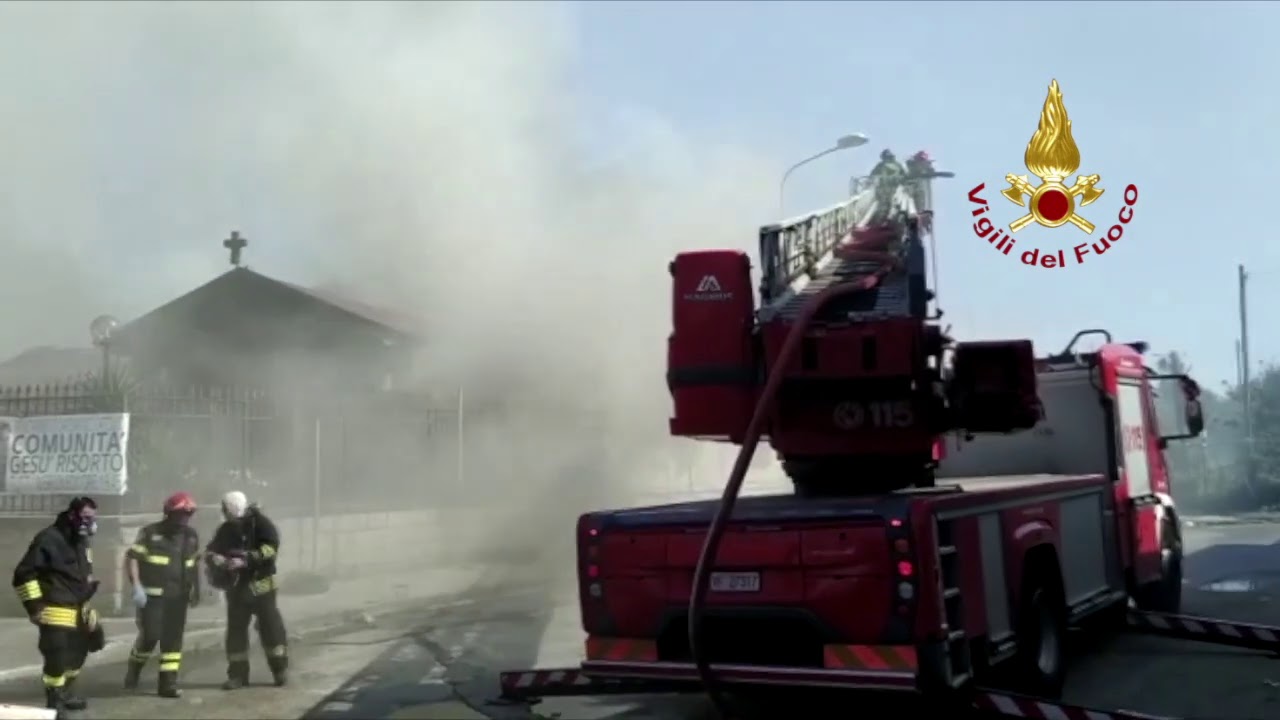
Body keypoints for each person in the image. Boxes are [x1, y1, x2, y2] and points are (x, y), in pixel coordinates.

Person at [11, 496, 102, 713]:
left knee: (79, 653)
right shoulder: (48, 539)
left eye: (92, 519)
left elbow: (82, 573)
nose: (89, 524)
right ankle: (55, 702)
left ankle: (66, 693)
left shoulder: (81, 541)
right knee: (57, 657)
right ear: (72, 515)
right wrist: (34, 606)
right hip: (54, 610)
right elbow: (23, 574)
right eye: (86, 518)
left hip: (79, 608)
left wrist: (88, 604)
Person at [206, 490, 289, 689]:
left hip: (262, 589)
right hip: (236, 590)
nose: (224, 513)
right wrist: (215, 558)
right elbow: (211, 550)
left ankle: (279, 670)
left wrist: (246, 560)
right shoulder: (226, 529)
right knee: (236, 633)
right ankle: (238, 675)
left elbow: (271, 548)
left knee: (271, 629)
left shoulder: (261, 524)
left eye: (225, 509)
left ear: (231, 508)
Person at [122, 491, 202, 698]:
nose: (185, 518)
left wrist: (196, 589)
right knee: (151, 637)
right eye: (181, 514)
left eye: (188, 514)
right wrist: (136, 585)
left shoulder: (191, 536)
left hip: (179, 598)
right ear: (169, 513)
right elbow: (132, 558)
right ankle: (134, 669)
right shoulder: (150, 533)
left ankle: (168, 684)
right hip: (152, 598)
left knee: (173, 641)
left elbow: (193, 564)